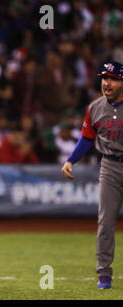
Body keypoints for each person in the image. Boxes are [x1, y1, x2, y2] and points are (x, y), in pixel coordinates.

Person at [61, 60, 123, 290]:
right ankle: (104, 274)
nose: (107, 83)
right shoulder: (95, 108)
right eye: (104, 78)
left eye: (113, 79)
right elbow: (87, 138)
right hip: (110, 166)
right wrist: (70, 160)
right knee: (105, 223)